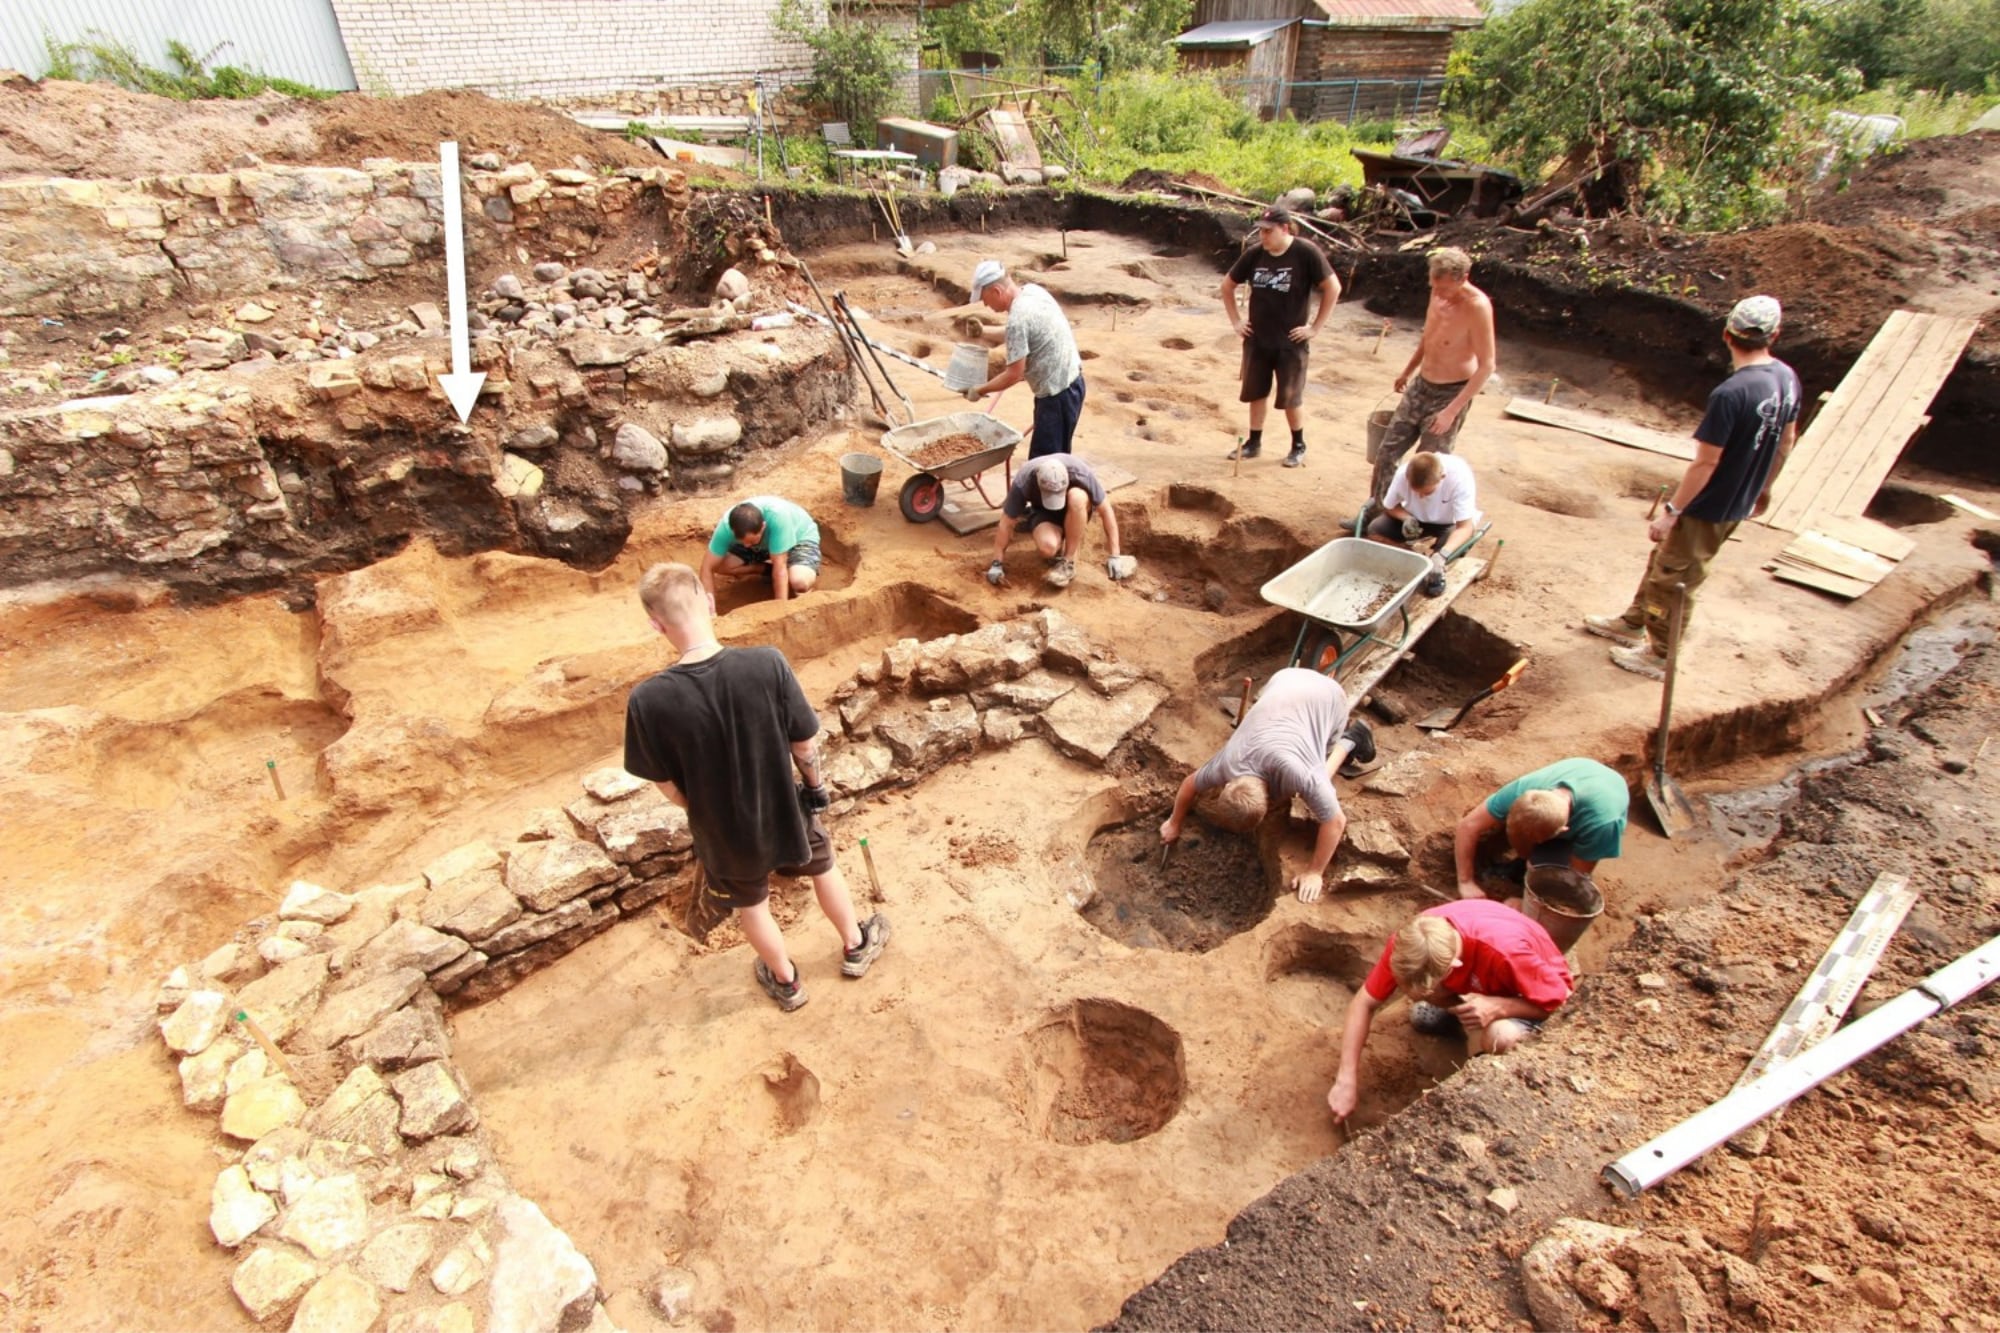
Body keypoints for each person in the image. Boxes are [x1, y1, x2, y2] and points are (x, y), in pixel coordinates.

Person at [623, 562, 889, 1011]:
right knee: (823, 866)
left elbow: (664, 783)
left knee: (752, 904)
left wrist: (703, 809)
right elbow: (803, 742)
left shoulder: (647, 700)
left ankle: (787, 982)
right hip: (785, 806)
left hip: (722, 831)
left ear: (656, 624)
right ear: (709, 602)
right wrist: (814, 787)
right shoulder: (766, 663)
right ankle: (855, 944)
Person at [1584, 295, 1802, 679]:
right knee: (1665, 561)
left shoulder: (1731, 394)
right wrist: (1763, 488)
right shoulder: (1786, 377)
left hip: (1710, 504)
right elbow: (1786, 440)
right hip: (1738, 497)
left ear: (1726, 334)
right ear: (1775, 335)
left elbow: (1706, 463)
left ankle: (1661, 656)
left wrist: (1672, 512)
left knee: (1675, 578)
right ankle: (1634, 622)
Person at [1326, 898, 1573, 1123]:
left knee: (1500, 1036)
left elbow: (1564, 1002)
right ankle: (1460, 1020)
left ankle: (1489, 1072)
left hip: (1532, 993)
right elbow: (1364, 1003)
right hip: (1484, 984)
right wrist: (1346, 1078)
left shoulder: (1506, 951)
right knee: (1423, 1015)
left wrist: (1499, 1007)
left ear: (1454, 965)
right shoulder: (1411, 943)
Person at [1159, 669, 1375, 903]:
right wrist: (1174, 822)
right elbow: (1190, 783)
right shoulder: (1228, 763)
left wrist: (1315, 872)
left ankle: (1351, 739)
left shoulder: (1299, 773)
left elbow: (1336, 822)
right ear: (1228, 783)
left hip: (1329, 698)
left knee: (1317, 776)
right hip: (1285, 678)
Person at [1367, 247, 1496, 509]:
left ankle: (1416, 522)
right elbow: (1429, 338)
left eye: (1446, 289)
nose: (1439, 295)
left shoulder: (1477, 307)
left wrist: (1451, 411)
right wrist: (1408, 370)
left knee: (1428, 465)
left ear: (1464, 278)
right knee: (1386, 453)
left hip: (1450, 393)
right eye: (1434, 287)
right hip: (1421, 385)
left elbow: (1487, 366)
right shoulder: (1436, 294)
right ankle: (1377, 511)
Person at [1221, 206, 1340, 469]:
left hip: (1291, 342)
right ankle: (1253, 442)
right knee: (1256, 393)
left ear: (1284, 228)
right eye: (1260, 231)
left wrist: (1315, 327)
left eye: (1268, 231)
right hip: (1258, 339)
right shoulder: (1255, 255)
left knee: (1290, 396)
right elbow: (1227, 285)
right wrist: (1236, 321)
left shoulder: (1305, 253)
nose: (1262, 237)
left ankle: (1298, 445)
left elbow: (1333, 287)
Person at [1453, 757, 1628, 900]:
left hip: (1605, 798)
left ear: (1562, 831)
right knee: (1532, 863)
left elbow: (1575, 878)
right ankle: (1525, 864)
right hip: (1583, 769)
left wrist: (1526, 904)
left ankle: (1542, 863)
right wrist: (1465, 881)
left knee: (1548, 871)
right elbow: (1467, 826)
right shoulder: (1522, 791)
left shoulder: (1601, 825)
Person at [964, 261, 1086, 461]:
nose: (986, 305)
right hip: (1073, 384)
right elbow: (1022, 334)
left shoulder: (1018, 319)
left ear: (996, 291)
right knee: (1057, 458)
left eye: (985, 299)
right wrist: (983, 332)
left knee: (1044, 465)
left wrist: (979, 390)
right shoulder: (1033, 292)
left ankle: (1055, 492)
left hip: (1056, 397)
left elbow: (1014, 374)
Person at [986, 455, 1132, 590]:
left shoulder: (1081, 473)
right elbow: (1006, 523)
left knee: (1077, 497)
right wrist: (996, 563)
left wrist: (1115, 555)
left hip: (1076, 508)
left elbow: (1106, 510)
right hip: (1044, 512)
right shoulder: (1023, 481)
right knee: (1047, 549)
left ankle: (1068, 562)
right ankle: (1060, 533)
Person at [1364, 450, 1481, 596]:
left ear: (1442, 478)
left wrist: (1443, 555)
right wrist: (1406, 518)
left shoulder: (1459, 477)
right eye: (1415, 491)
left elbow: (1465, 527)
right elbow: (1390, 506)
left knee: (1449, 552)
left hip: (1448, 523)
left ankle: (1436, 568)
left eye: (1426, 493)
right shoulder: (1403, 474)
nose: (1420, 497)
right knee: (1376, 529)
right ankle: (1411, 559)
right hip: (1415, 517)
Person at [698, 497, 821, 610]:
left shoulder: (779, 517)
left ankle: (801, 574)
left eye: (751, 541)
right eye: (742, 542)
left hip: (798, 537)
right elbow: (706, 568)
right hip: (764, 546)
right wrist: (710, 612)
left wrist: (781, 610)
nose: (746, 546)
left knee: (799, 581)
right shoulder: (726, 527)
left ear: (763, 527)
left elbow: (780, 568)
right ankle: (765, 569)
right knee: (720, 565)